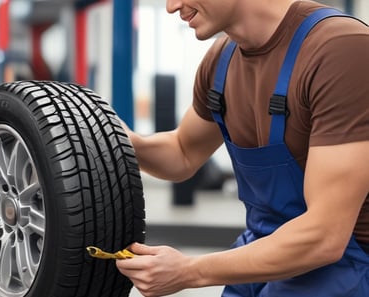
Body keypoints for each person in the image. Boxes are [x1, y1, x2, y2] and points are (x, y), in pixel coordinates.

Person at [115, 0, 369, 296]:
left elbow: (324, 236)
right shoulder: (221, 61)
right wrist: (110, 137)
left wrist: (189, 271)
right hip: (261, 252)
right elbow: (182, 152)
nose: (172, 7)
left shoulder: (341, 50)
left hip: (345, 269)